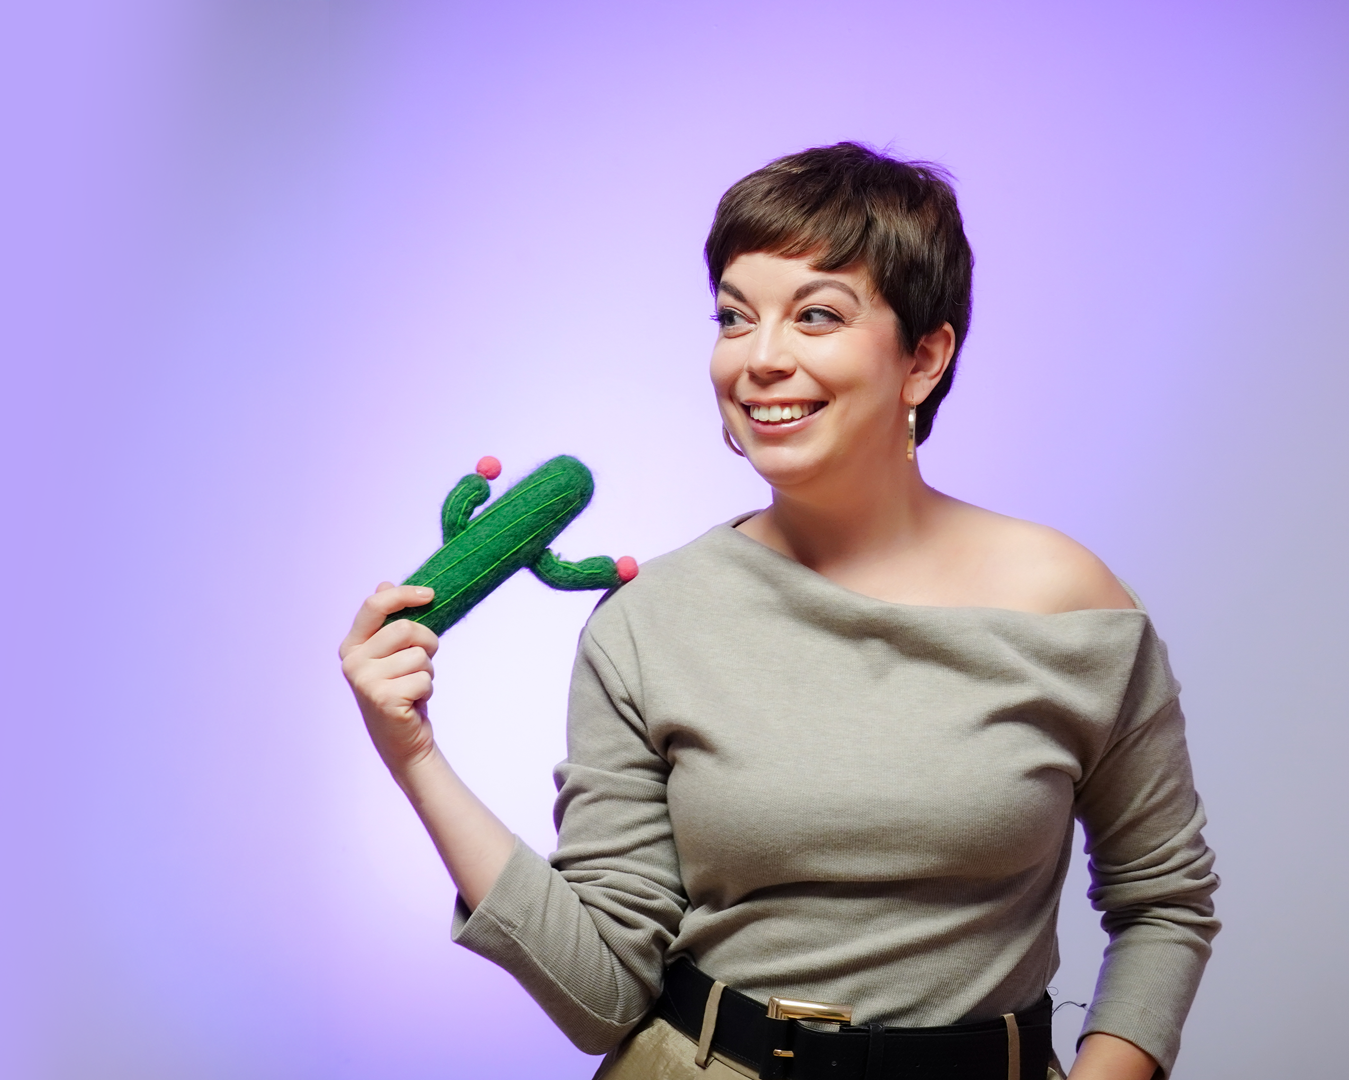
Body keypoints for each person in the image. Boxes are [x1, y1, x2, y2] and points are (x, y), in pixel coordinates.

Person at [339, 143, 1218, 1080]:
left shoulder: (1070, 606)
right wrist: (414, 755)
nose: (760, 359)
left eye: (817, 315)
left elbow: (1164, 901)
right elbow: (600, 996)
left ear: (925, 357)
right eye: (733, 317)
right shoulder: (649, 621)